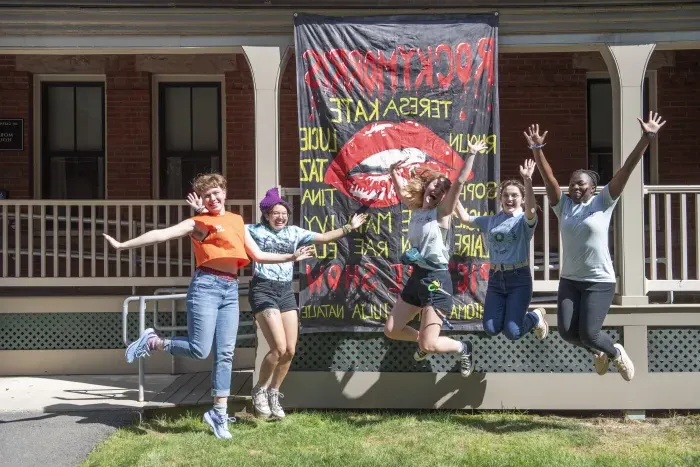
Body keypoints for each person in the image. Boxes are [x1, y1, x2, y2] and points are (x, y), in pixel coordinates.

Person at [103, 173, 313, 439]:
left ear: (224, 193)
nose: (213, 198)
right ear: (202, 200)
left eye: (216, 193)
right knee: (199, 350)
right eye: (207, 196)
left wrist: (291, 256)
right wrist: (124, 244)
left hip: (230, 288)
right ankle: (154, 341)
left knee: (226, 354)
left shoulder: (236, 221)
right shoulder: (198, 222)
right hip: (205, 286)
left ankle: (218, 413)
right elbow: (162, 234)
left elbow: (258, 255)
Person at [188, 187, 367, 420]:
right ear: (266, 215)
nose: (280, 216)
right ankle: (259, 389)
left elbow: (322, 238)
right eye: (275, 213)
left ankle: (274, 392)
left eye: (284, 213)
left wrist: (348, 228)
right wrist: (203, 211)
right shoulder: (252, 230)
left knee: (290, 350)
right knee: (278, 347)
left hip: (284, 291)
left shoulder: (294, 232)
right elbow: (224, 226)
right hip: (263, 289)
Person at [524, 112, 666, 381]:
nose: (575, 186)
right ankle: (601, 351)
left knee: (589, 332)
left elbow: (626, 170)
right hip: (570, 280)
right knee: (567, 332)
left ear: (593, 187)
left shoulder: (603, 203)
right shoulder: (563, 206)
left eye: (581, 183)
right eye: (573, 182)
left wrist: (646, 139)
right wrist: (537, 150)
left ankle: (614, 352)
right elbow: (549, 179)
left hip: (599, 281)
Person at [383, 139, 487, 377]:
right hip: (418, 276)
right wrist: (392, 172)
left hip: (437, 279)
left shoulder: (442, 213)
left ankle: (464, 347)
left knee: (429, 346)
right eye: (434, 186)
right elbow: (401, 191)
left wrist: (471, 153)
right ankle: (422, 341)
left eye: (442, 190)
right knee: (392, 329)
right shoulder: (418, 209)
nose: (437, 190)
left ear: (444, 197)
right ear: (426, 186)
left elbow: (459, 181)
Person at [454, 159, 549, 342]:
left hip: (519, 279)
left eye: (514, 195)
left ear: (521, 198)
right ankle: (513, 313)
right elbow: (465, 219)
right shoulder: (491, 220)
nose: (510, 199)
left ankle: (535, 316)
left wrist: (527, 180)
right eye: (506, 195)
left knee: (512, 333)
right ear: (500, 198)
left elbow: (530, 209)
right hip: (496, 279)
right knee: (490, 328)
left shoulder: (524, 220)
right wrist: (453, 193)